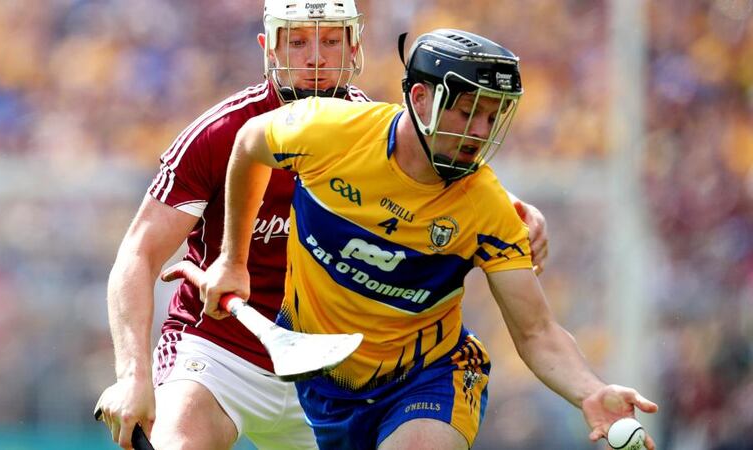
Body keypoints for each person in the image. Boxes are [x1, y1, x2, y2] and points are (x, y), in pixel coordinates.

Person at [94, 2, 550, 449]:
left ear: (354, 49)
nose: (315, 57)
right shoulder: (221, 133)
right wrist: (132, 376)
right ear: (268, 49)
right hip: (219, 352)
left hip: (332, 370)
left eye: (331, 40)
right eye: (297, 41)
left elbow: (442, 176)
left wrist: (513, 208)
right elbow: (138, 254)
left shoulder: (375, 133)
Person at [198, 28, 659, 450]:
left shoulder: (487, 208)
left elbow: (536, 331)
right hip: (326, 387)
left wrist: (590, 391)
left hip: (429, 378)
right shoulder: (328, 133)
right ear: (420, 98)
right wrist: (232, 259)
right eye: (468, 113)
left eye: (492, 116)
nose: (480, 132)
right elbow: (248, 145)